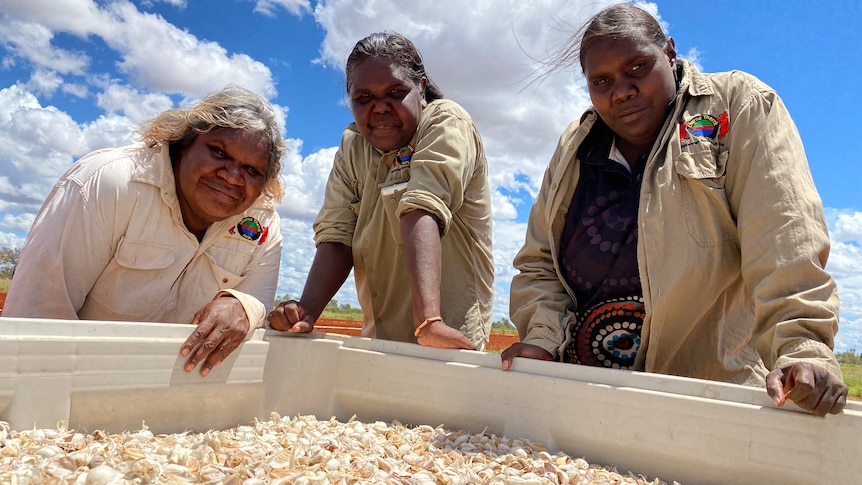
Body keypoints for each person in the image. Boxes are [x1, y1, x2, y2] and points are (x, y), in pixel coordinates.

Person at [501, 3, 847, 416]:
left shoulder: (734, 107)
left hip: (701, 401)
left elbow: (785, 240)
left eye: (637, 67)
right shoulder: (577, 144)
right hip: (581, 396)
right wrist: (542, 339)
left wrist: (802, 348)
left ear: (669, 53)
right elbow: (540, 264)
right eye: (601, 80)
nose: (622, 90)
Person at [3, 86, 286, 377]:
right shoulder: (109, 184)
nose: (232, 176)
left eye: (252, 170)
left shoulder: (261, 223)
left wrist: (242, 306)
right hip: (72, 385)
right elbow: (37, 319)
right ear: (184, 142)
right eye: (218, 152)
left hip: (174, 403)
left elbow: (256, 304)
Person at [267, 32, 494, 350]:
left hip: (449, 333)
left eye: (395, 92)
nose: (380, 109)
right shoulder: (353, 146)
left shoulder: (446, 123)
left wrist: (429, 321)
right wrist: (307, 311)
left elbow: (422, 206)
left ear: (422, 89)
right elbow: (337, 236)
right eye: (364, 98)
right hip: (381, 334)